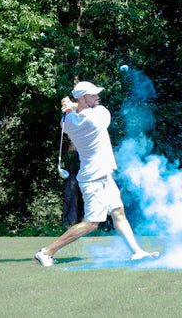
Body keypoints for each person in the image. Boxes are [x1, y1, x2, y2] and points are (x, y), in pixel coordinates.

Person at [34, 81, 159, 266]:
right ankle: (46, 252)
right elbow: (89, 109)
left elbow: (69, 116)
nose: (98, 97)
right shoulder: (97, 117)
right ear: (82, 98)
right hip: (94, 180)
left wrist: (71, 107)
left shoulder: (68, 122)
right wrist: (74, 105)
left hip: (102, 176)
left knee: (118, 212)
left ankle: (137, 252)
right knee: (92, 224)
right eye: (93, 95)